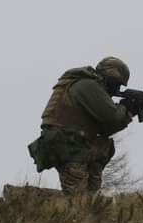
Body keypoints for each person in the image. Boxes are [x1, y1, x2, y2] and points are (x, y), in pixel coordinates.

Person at [27, 57, 135, 195]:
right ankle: (25, 197)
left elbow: (105, 129)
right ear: (110, 78)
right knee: (77, 197)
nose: (117, 89)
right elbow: (112, 117)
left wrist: (129, 113)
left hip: (74, 145)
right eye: (117, 84)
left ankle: (36, 202)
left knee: (89, 197)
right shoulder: (87, 85)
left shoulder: (87, 85)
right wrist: (125, 107)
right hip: (68, 145)